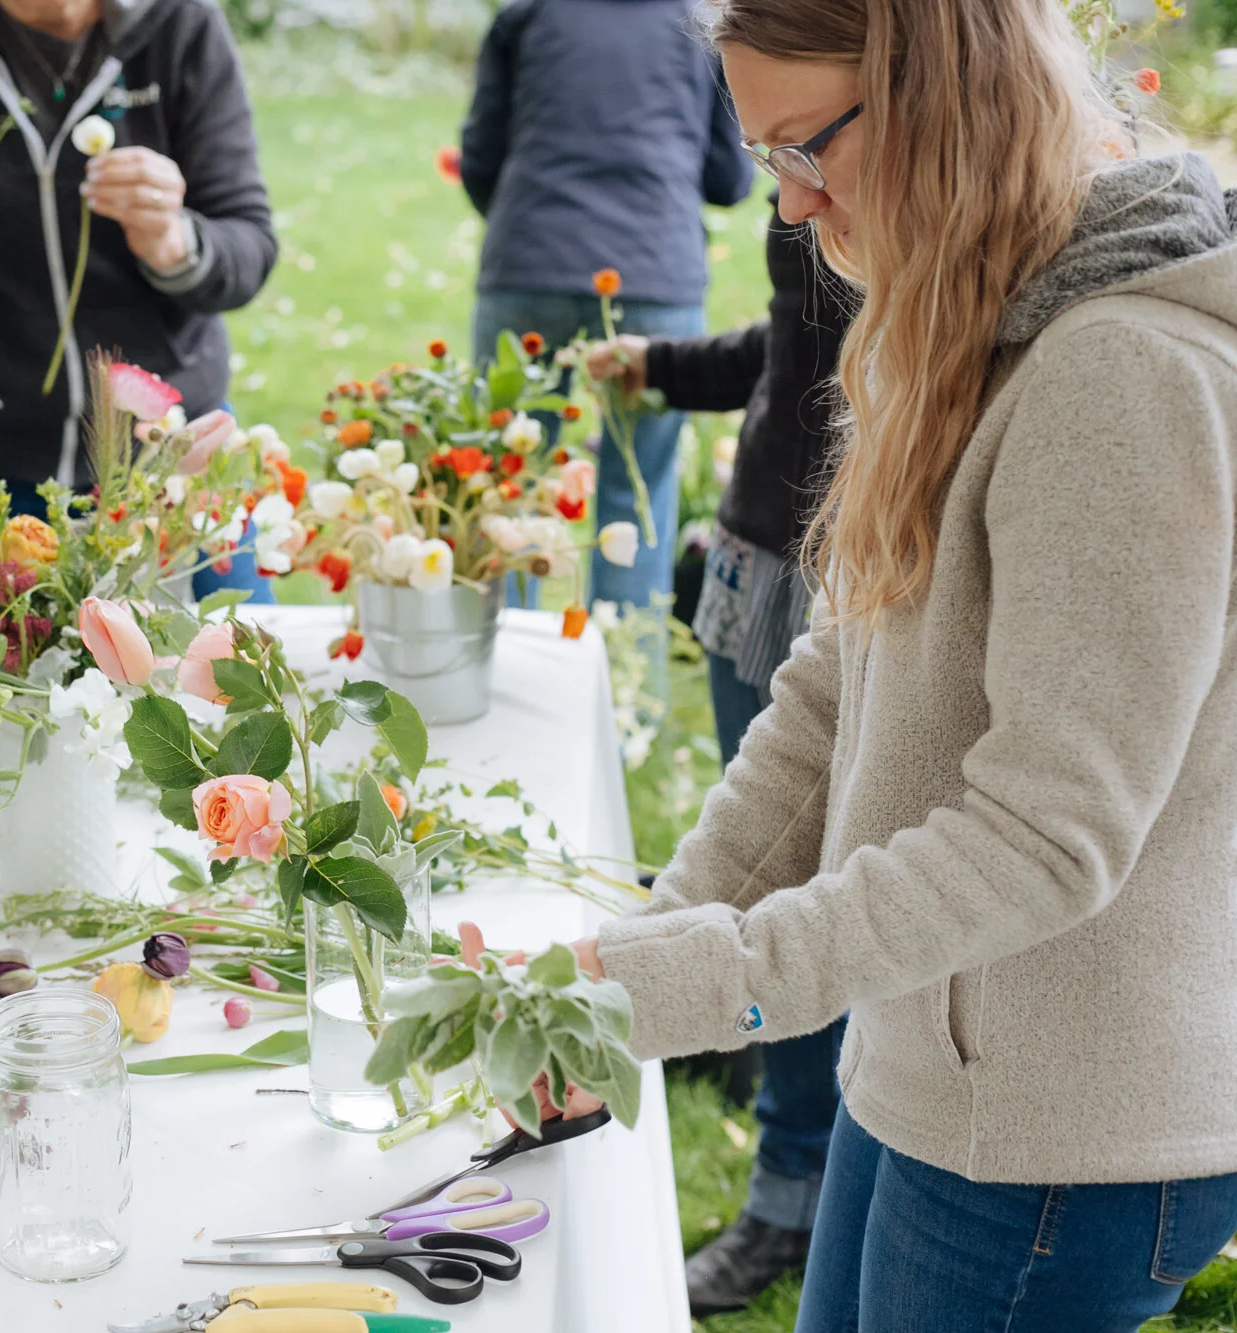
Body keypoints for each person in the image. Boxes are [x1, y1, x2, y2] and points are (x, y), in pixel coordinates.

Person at [542, 0, 1237, 1327]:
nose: (793, 210)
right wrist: (635, 965)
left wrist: (708, 978)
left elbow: (1044, 835)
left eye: (809, 147)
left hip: (1058, 1135)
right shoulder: (975, 307)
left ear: (947, 91)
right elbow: (831, 692)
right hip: (927, 1053)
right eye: (767, 162)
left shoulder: (1122, 377)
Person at [588, 193, 855, 1316]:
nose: (784, 184)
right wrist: (661, 364)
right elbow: (795, 337)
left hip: (847, 578)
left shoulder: (928, 145)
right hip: (757, 556)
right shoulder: (816, 152)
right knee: (756, 858)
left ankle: (793, 1192)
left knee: (823, 898)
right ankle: (763, 1100)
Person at [0, 0, 277, 598]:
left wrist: (176, 242)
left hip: (170, 467)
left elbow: (249, 243)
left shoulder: (181, 26)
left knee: (229, 679)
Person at [457, 0, 752, 614]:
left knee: (507, 484)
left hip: (529, 264)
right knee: (638, 492)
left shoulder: (527, 15)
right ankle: (624, 689)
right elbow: (729, 179)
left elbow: (481, 160)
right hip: (654, 275)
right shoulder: (699, 25)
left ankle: (500, 669)